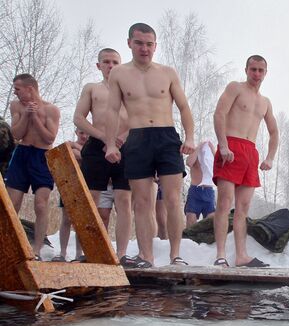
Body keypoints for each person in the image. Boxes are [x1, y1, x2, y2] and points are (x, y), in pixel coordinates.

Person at [104, 23, 195, 268]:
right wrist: (111, 144)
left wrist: (190, 137)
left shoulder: (167, 72)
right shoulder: (119, 74)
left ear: (155, 45)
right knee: (142, 202)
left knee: (173, 199)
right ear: (129, 43)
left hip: (166, 137)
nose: (144, 48)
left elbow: (184, 107)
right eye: (139, 43)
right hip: (137, 138)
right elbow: (112, 110)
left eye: (149, 44)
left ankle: (175, 255)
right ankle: (147, 256)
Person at [212, 55, 279, 268]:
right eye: (253, 69)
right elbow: (219, 114)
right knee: (224, 203)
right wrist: (223, 145)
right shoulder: (235, 88)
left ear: (266, 73)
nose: (256, 74)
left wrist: (269, 157)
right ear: (246, 70)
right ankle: (221, 255)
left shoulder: (265, 102)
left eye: (260, 70)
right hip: (231, 147)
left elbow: (274, 132)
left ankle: (241, 256)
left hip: (250, 152)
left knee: (243, 207)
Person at [73, 48, 136, 268]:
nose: (111, 65)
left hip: (125, 147)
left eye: (115, 62)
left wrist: (121, 138)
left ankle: (121, 253)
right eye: (106, 62)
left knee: (124, 201)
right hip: (97, 146)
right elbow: (79, 118)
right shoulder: (92, 89)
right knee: (92, 200)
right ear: (98, 65)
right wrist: (103, 137)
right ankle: (88, 249)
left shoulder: (129, 89)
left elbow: (139, 117)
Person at [5, 73, 60, 260]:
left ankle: (37, 249)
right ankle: (8, 244)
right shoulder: (16, 106)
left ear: (30, 89)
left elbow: (49, 138)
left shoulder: (51, 109)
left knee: (41, 204)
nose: (16, 93)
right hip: (22, 154)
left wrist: (35, 117)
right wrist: (26, 116)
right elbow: (16, 134)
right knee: (12, 204)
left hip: (41, 157)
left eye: (18, 89)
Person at [52, 128, 88, 262]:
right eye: (82, 133)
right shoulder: (69, 145)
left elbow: (83, 155)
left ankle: (79, 253)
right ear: (77, 132)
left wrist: (76, 148)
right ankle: (62, 252)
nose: (84, 136)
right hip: (69, 184)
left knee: (82, 221)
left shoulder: (90, 149)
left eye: (87, 133)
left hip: (86, 185)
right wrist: (74, 148)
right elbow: (66, 153)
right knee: (66, 219)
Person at [185, 140, 216, 227]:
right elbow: (189, 163)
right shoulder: (195, 156)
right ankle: (189, 239)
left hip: (209, 191)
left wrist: (212, 149)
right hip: (195, 191)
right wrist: (198, 147)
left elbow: (219, 163)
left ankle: (207, 240)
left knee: (211, 221)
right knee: (191, 220)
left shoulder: (211, 157)